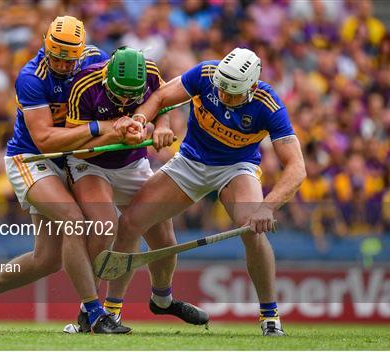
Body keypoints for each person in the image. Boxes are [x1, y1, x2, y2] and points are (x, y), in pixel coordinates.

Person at [0, 16, 137, 334]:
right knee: (74, 220)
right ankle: (93, 313)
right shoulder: (30, 78)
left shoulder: (96, 60)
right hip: (32, 158)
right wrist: (101, 128)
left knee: (47, 259)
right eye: (57, 58)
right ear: (46, 48)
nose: (64, 66)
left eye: (70, 60)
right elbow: (45, 138)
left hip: (67, 160)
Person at [110, 47, 307, 336]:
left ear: (252, 87)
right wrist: (141, 121)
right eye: (221, 92)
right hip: (191, 161)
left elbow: (296, 168)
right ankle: (113, 311)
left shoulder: (269, 105)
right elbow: (163, 96)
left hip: (236, 167)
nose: (224, 98)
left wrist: (267, 207)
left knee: (252, 229)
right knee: (130, 223)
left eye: (233, 94)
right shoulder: (206, 74)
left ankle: (270, 316)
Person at [64, 47, 209, 332]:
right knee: (106, 226)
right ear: (107, 79)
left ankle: (161, 300)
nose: (127, 101)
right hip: (90, 165)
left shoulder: (152, 73)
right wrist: (111, 129)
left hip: (132, 164)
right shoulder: (84, 84)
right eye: (120, 95)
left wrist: (162, 126)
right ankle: (90, 311)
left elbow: (163, 101)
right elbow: (74, 147)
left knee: (164, 238)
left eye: (133, 96)